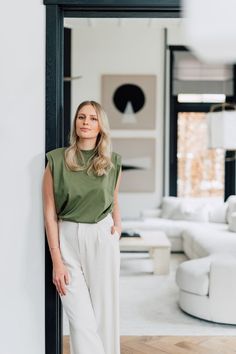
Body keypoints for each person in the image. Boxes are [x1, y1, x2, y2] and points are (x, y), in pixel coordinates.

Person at [42, 100, 122, 354]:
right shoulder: (55, 160)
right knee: (80, 321)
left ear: (101, 127)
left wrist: (117, 227)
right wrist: (56, 258)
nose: (86, 122)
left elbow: (115, 199)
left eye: (93, 118)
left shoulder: (113, 162)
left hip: (101, 234)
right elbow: (49, 212)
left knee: (105, 315)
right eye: (81, 117)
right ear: (75, 122)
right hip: (67, 239)